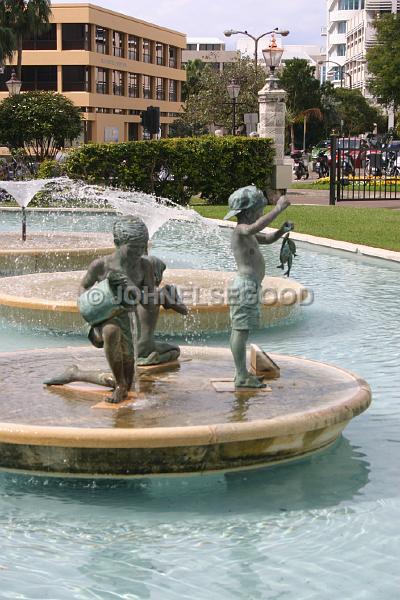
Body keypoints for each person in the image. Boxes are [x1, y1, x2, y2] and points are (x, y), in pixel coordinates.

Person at [224, 186, 293, 388]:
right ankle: (241, 375)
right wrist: (278, 209)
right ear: (250, 211)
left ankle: (242, 374)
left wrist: (282, 230)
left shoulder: (249, 234)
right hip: (244, 287)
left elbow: (268, 238)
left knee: (242, 331)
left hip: (251, 286)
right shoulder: (241, 230)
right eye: (260, 210)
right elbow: (254, 228)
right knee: (240, 330)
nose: (262, 213)